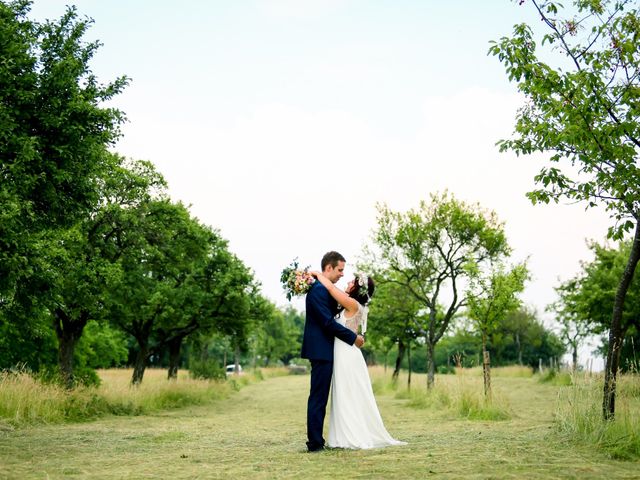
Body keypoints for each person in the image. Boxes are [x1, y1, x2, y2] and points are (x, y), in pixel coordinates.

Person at [311, 269, 407, 450]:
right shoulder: (353, 305)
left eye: (351, 282)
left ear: (356, 288)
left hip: (346, 355)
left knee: (347, 394)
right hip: (343, 353)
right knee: (343, 394)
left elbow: (331, 288)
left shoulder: (352, 303)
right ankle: (341, 436)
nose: (347, 283)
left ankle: (351, 436)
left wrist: (317, 275)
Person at [300, 251, 365, 452]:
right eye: (339, 270)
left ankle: (318, 440)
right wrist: (353, 338)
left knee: (321, 397)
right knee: (318, 397)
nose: (342, 274)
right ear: (328, 268)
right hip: (321, 350)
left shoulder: (323, 287)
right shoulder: (319, 290)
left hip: (326, 350)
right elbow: (327, 323)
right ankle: (315, 443)